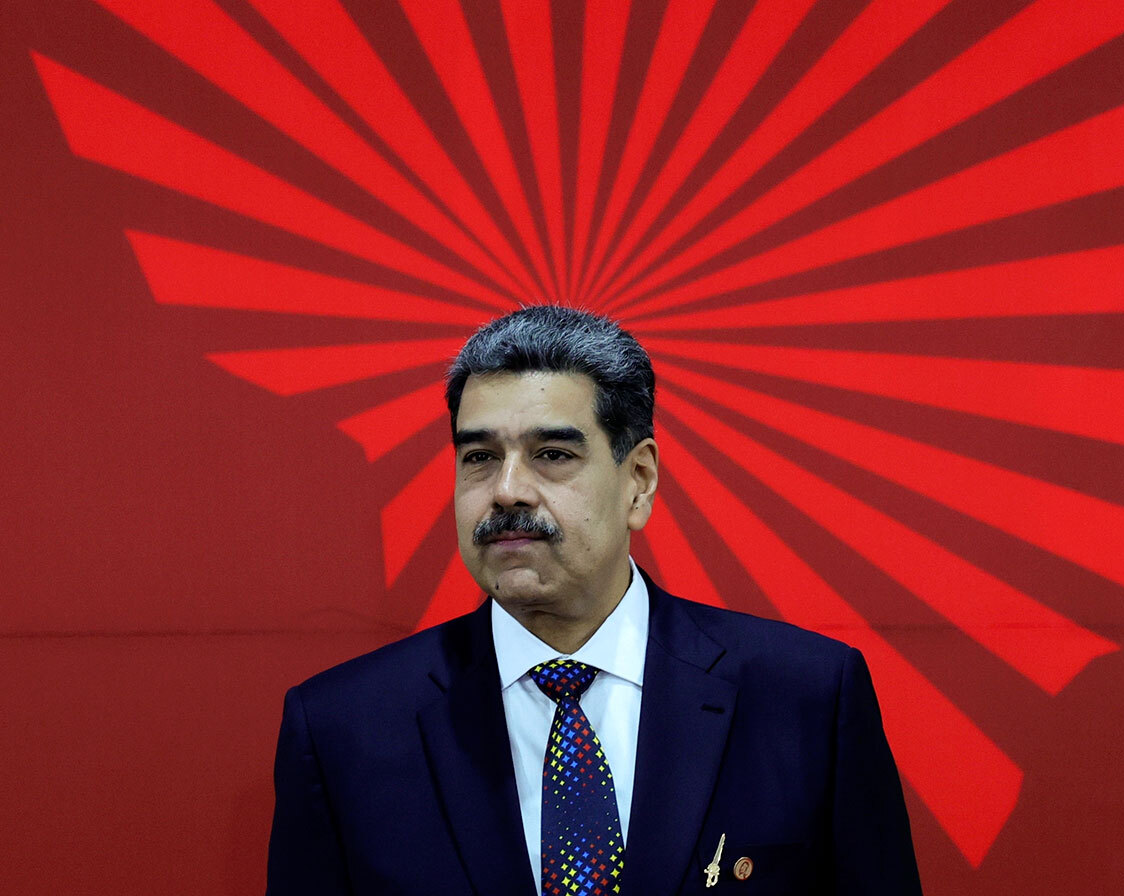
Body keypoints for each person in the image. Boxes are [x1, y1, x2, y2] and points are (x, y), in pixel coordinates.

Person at [267, 305, 922, 895]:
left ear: (638, 480)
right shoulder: (340, 730)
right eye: (479, 457)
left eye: (552, 454)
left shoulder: (806, 698)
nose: (506, 490)